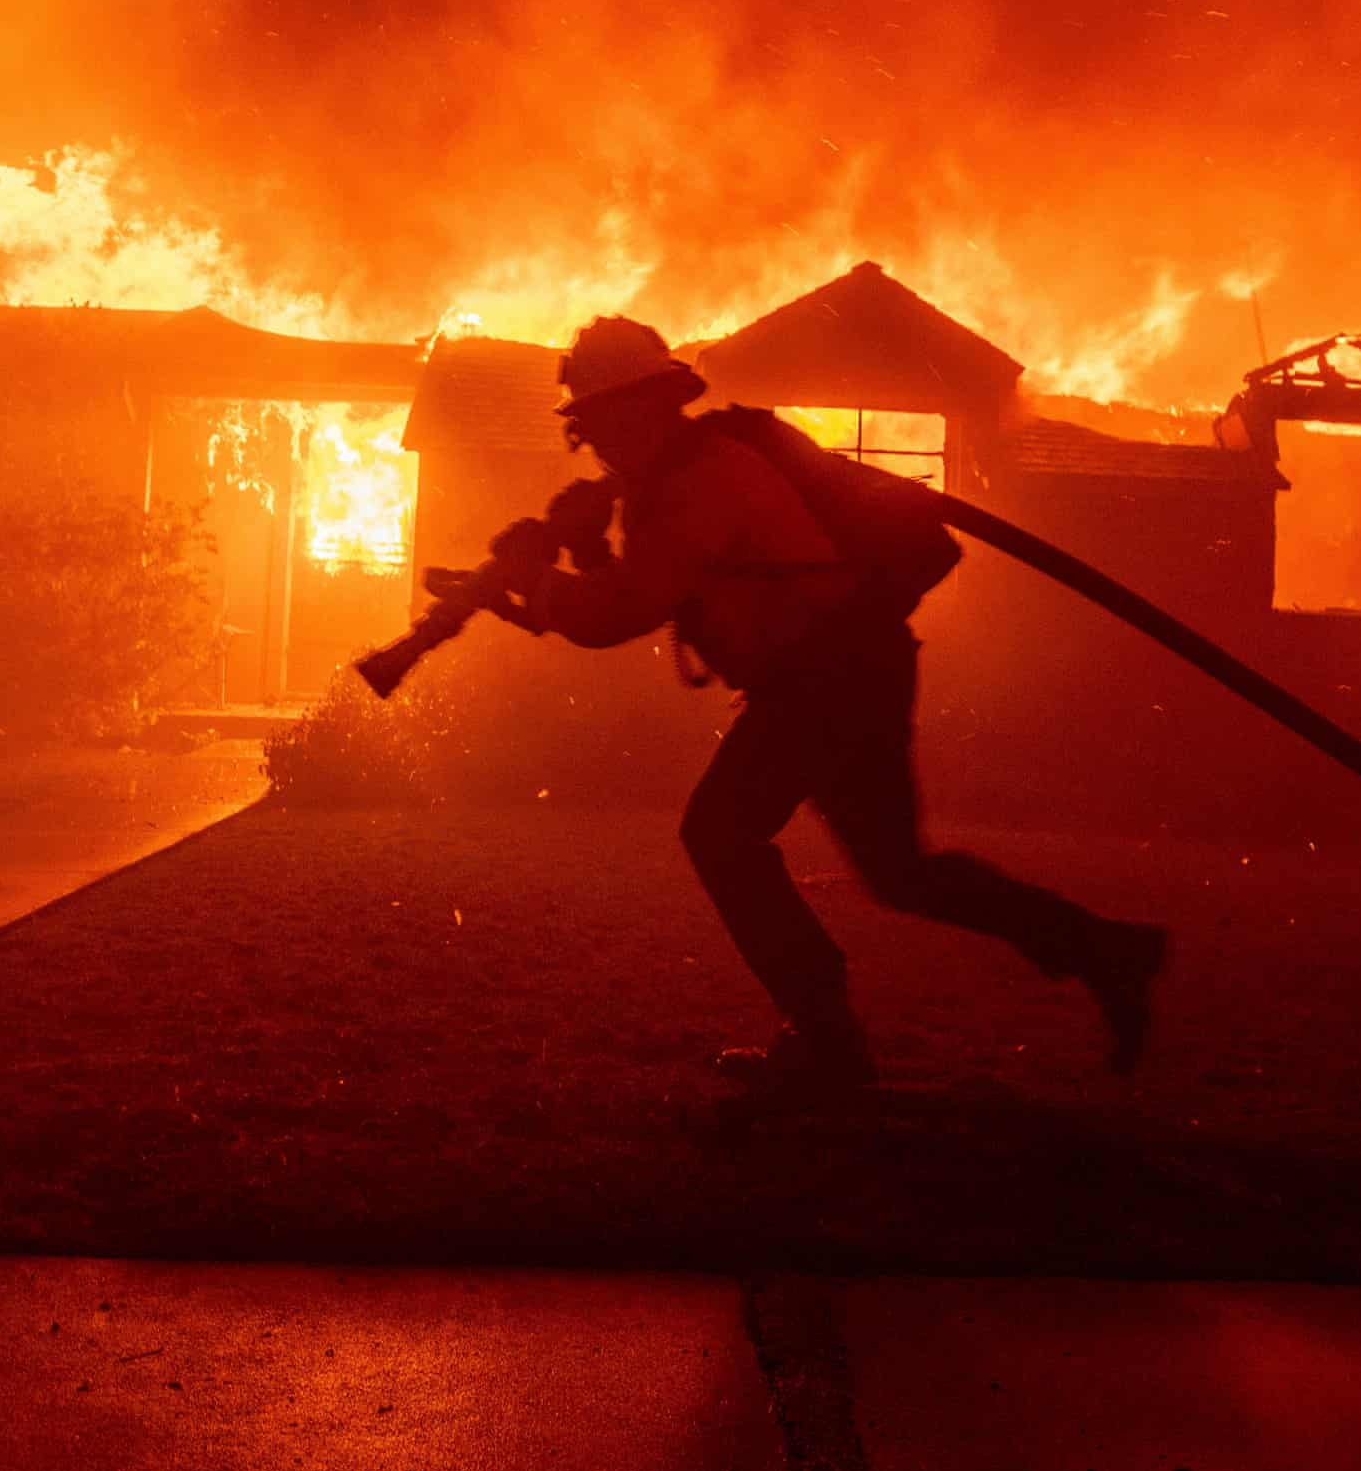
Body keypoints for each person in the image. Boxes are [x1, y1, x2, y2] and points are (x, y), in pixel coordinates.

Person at [488, 315, 1169, 1102]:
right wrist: (582, 552)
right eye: (589, 429)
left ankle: (826, 1040)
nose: (598, 443)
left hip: (827, 679)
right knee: (899, 873)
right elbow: (640, 590)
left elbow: (618, 615)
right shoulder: (677, 477)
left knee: (721, 833)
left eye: (601, 421)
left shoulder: (701, 481)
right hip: (844, 673)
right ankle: (1103, 951)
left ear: (643, 407)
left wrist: (537, 582)